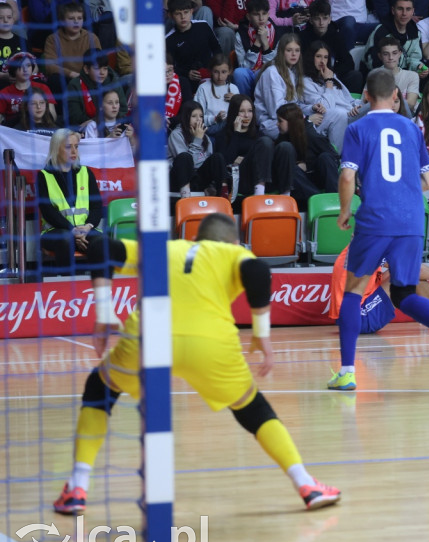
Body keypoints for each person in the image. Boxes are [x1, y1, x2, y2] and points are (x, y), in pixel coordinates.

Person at [52, 212, 341, 515]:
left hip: (147, 337)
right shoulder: (235, 252)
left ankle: (77, 487)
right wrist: (261, 334)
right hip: (211, 344)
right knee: (253, 409)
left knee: (99, 388)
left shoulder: (167, 248)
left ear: (194, 238)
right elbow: (257, 271)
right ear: (234, 241)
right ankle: (305, 484)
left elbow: (100, 248)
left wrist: (103, 311)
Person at [330, 68, 429, 390]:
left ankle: (347, 372)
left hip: (377, 218)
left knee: (353, 290)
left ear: (365, 95)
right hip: (411, 220)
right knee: (404, 291)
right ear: (396, 96)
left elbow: (348, 176)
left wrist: (345, 210)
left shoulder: (357, 127)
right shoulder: (411, 128)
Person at [36, 129, 103, 273]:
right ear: (56, 149)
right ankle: (67, 286)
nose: (74, 151)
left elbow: (97, 207)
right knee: (66, 240)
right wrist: (72, 230)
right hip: (56, 231)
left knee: (102, 242)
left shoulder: (86, 172)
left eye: (76, 146)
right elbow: (48, 212)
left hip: (85, 230)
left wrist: (88, 227)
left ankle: (98, 285)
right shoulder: (44, 176)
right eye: (68, 147)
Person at [215, 94, 292, 197]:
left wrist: (246, 158)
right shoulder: (223, 135)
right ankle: (259, 193)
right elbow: (225, 163)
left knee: (286, 146)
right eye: (241, 111)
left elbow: (267, 159)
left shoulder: (258, 133)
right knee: (265, 141)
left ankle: (286, 195)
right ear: (234, 113)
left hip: (265, 179)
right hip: (241, 180)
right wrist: (236, 133)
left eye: (250, 111)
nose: (246, 115)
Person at [273, 102, 339, 203]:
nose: (277, 124)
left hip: (317, 175)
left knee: (326, 157)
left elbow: (334, 158)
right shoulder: (283, 138)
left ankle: (335, 200)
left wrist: (307, 165)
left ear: (291, 122)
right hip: (300, 181)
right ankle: (319, 201)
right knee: (291, 170)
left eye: (280, 121)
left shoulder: (311, 136)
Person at [232, 0, 278, 97]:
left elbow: (275, 67)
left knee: (262, 73)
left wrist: (265, 44)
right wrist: (257, 43)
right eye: (256, 14)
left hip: (270, 76)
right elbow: (243, 66)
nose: (261, 18)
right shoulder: (241, 34)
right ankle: (245, 104)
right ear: (249, 17)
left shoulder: (277, 32)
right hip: (249, 73)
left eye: (264, 14)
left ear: (268, 14)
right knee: (239, 73)